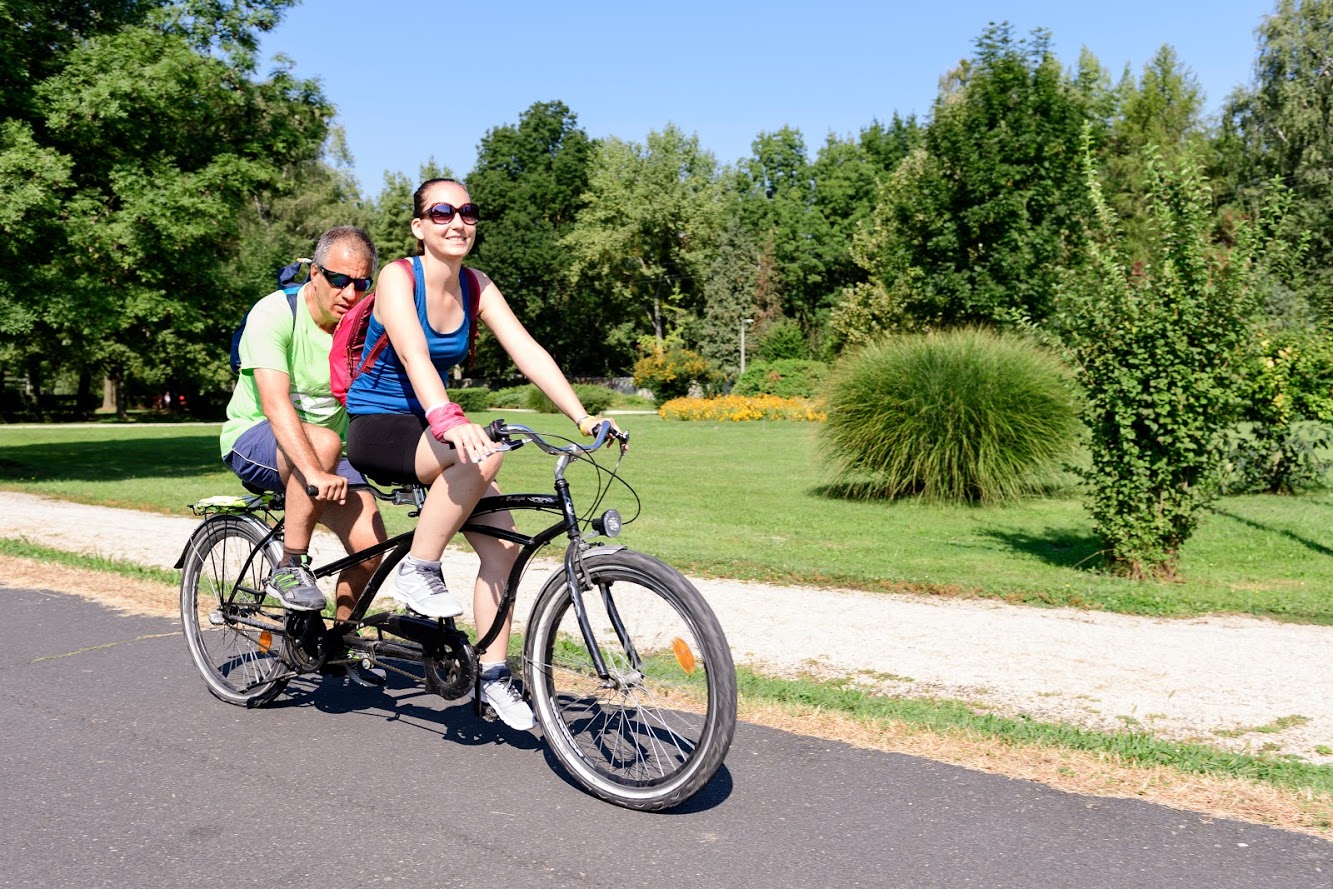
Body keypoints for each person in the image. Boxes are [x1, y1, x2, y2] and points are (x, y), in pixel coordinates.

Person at [345, 178, 619, 730]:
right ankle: (419, 570)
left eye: (467, 211)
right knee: (481, 453)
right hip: (378, 428)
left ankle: (493, 678)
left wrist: (583, 415)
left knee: (503, 553)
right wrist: (449, 418)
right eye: (441, 211)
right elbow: (415, 355)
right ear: (419, 226)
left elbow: (528, 352)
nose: (457, 221)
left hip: (431, 430)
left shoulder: (477, 285)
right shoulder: (399, 277)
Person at [221, 225, 388, 634]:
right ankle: (290, 566)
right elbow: (276, 404)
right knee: (324, 440)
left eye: (361, 283)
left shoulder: (364, 329)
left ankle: (339, 643)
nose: (349, 294)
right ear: (314, 273)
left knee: (371, 550)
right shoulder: (276, 313)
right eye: (338, 279)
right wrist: (313, 471)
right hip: (253, 436)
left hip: (328, 457)